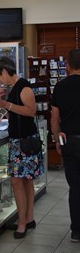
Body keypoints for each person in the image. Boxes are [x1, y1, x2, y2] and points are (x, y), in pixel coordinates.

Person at [0, 56, 44, 239]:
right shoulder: (13, 89)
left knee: (18, 181)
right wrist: (2, 103)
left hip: (25, 141)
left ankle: (22, 222)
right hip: (18, 140)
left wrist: (6, 104)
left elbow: (30, 111)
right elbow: (13, 115)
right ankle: (28, 218)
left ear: (4, 71)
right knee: (25, 181)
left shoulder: (24, 87)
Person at [51, 49, 80, 243]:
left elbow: (55, 119)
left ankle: (76, 230)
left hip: (70, 141)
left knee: (75, 187)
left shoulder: (60, 87)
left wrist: (57, 141)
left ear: (67, 66)